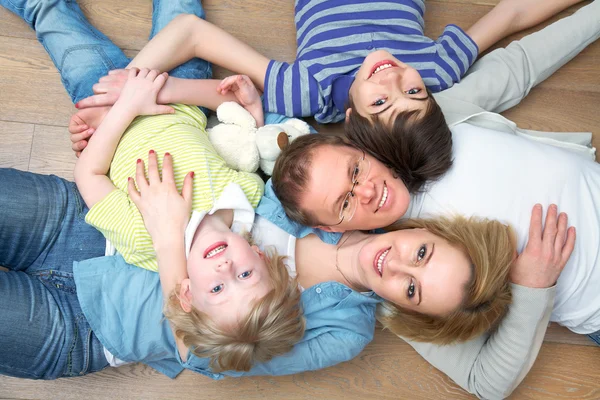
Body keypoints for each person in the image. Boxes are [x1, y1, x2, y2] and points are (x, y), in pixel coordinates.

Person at [64, 1, 598, 398]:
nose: (367, 192)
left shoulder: (434, 122)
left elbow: (520, 61)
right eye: (348, 198)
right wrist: (532, 287)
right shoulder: (400, 263)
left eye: (359, 175)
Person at [71, 0, 583, 162]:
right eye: (415, 92)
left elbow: (189, 33)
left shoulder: (308, 91)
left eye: (383, 102)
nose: (397, 79)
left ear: (356, 115)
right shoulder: (439, 69)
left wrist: (133, 94)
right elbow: (513, 12)